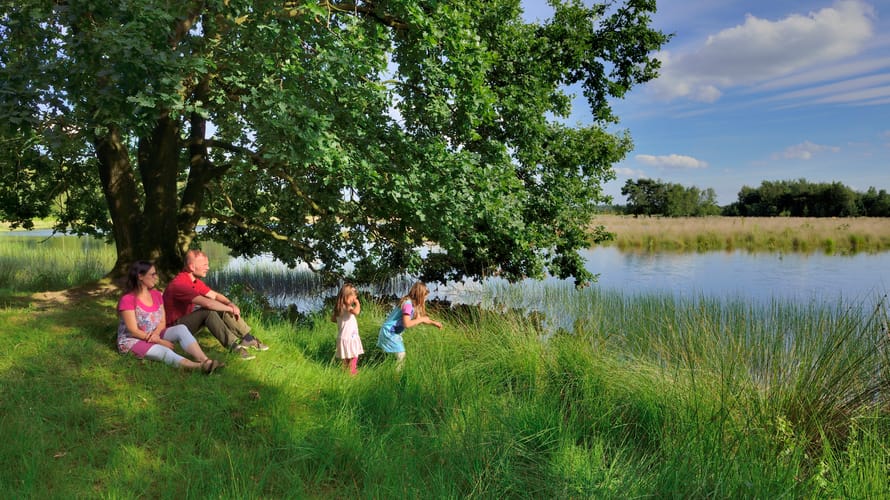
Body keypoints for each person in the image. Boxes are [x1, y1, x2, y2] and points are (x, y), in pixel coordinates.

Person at [116, 260, 223, 374]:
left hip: (154, 333)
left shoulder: (157, 295)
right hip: (133, 340)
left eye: (156, 274)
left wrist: (156, 335)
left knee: (181, 328)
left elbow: (162, 321)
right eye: (152, 274)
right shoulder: (128, 299)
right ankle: (199, 367)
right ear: (140, 276)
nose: (156, 277)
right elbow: (133, 331)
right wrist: (159, 341)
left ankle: (205, 360)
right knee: (163, 350)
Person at [163, 249, 268, 360]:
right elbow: (208, 304)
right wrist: (229, 309)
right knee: (208, 311)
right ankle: (234, 348)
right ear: (192, 267)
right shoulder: (180, 285)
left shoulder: (194, 281)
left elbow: (215, 296)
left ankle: (247, 339)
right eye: (204, 265)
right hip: (172, 329)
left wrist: (230, 303)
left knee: (220, 306)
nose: (208, 268)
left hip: (184, 323)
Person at [377, 281, 442, 369]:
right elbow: (407, 324)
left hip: (392, 332)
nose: (425, 300)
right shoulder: (408, 304)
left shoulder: (412, 304)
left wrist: (434, 323)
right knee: (401, 355)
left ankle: (389, 371)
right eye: (425, 297)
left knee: (396, 357)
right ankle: (396, 376)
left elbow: (420, 319)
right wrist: (422, 319)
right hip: (390, 332)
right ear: (420, 295)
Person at [331, 283, 364, 376]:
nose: (354, 299)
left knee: (346, 359)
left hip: (342, 337)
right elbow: (356, 312)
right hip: (350, 338)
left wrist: (342, 321)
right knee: (354, 356)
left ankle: (345, 374)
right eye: (353, 297)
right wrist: (358, 304)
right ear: (346, 296)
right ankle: (352, 373)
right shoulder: (347, 306)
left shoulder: (339, 307)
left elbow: (332, 319)